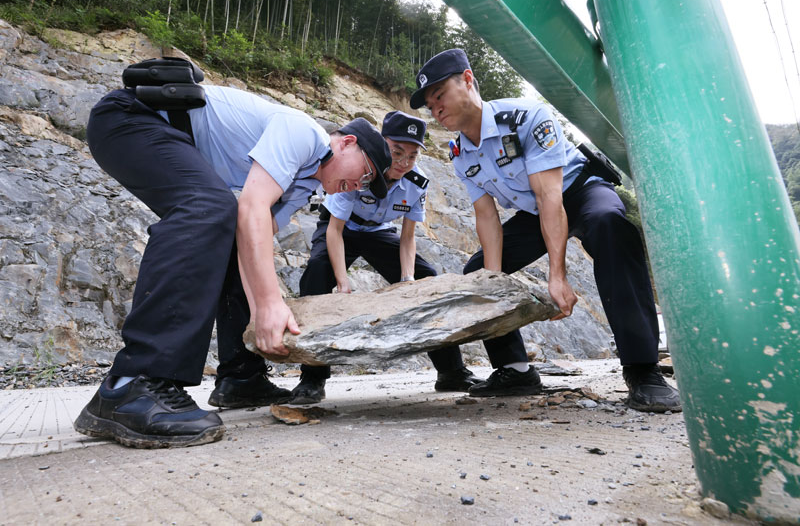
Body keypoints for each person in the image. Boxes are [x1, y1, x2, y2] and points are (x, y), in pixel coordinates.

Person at [73, 76, 393, 448]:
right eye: (365, 173)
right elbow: (251, 208)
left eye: (367, 186)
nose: (358, 186)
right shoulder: (306, 134)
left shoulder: (304, 183)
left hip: (156, 134)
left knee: (224, 232)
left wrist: (262, 316)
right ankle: (133, 383)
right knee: (209, 208)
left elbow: (252, 238)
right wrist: (270, 303)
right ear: (347, 142)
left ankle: (241, 377)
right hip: (131, 119)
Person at [409, 49, 680, 412]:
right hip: (536, 210)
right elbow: (486, 216)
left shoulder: (524, 117)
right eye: (430, 105)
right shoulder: (459, 152)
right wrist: (493, 279)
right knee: (479, 274)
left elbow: (550, 195)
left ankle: (643, 369)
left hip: (578, 191)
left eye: (440, 95)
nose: (435, 109)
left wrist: (558, 276)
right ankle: (515, 369)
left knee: (609, 227)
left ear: (469, 80)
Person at [290, 111, 484, 404]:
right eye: (397, 152)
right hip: (341, 227)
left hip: (378, 231)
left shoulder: (417, 182)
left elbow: (408, 237)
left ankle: (451, 371)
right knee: (316, 274)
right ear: (383, 145)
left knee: (426, 279)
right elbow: (335, 231)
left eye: (412, 155)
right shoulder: (363, 167)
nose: (404, 162)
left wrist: (408, 281)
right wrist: (342, 284)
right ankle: (312, 379)